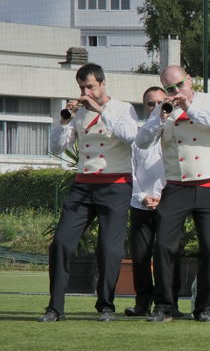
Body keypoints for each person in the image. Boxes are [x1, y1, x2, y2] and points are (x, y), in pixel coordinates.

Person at [137, 65, 210, 322]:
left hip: (209, 185)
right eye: (170, 88)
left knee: (209, 248)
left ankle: (203, 308)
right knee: (164, 246)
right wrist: (159, 119)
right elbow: (142, 142)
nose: (176, 91)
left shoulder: (209, 101)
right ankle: (165, 306)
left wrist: (190, 106)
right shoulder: (162, 110)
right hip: (176, 185)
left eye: (179, 85)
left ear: (189, 80)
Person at [40, 63, 138, 322]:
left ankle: (105, 305)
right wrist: (63, 121)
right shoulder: (77, 113)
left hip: (115, 184)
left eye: (90, 86)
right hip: (83, 184)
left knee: (109, 247)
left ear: (103, 84)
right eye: (82, 87)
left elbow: (132, 137)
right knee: (61, 242)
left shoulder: (122, 108)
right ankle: (55, 307)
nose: (86, 92)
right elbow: (56, 148)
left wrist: (101, 111)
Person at [125, 86, 182, 318]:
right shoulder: (138, 136)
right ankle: (142, 303)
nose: (157, 107)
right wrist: (141, 196)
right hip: (141, 204)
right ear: (144, 106)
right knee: (140, 256)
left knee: (168, 254)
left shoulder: (177, 133)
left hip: (170, 203)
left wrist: (165, 196)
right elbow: (130, 172)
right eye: (151, 103)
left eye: (161, 102)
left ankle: (170, 304)